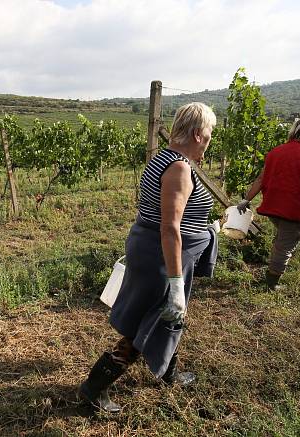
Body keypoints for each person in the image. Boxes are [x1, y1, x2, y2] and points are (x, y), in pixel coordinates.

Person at [79, 102, 217, 413]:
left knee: (169, 317)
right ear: (197, 134)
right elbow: (170, 228)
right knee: (150, 323)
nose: (209, 141)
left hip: (158, 252)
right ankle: (94, 387)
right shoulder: (179, 168)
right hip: (163, 257)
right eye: (208, 135)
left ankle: (168, 370)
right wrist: (176, 282)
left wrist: (207, 228)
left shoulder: (164, 158)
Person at [237, 117, 300, 290]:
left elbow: (260, 179)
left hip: (273, 206)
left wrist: (246, 199)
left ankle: (272, 270)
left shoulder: (275, 152)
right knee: (285, 246)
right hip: (294, 208)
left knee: (282, 238)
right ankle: (271, 283)